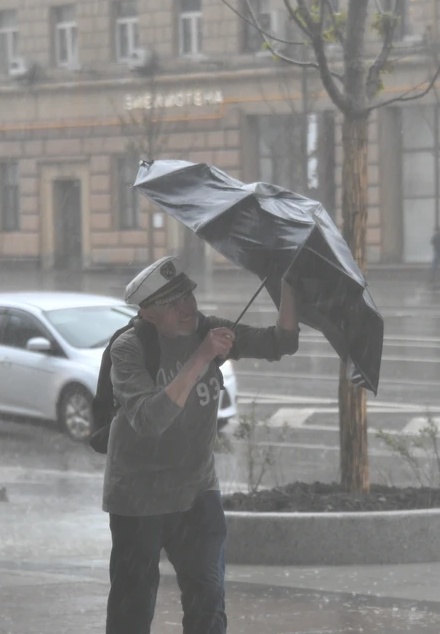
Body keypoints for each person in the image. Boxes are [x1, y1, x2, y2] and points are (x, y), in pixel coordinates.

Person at [104, 256, 300, 634]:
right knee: (133, 607)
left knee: (208, 601)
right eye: (173, 304)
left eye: (188, 296)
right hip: (138, 496)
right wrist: (202, 357)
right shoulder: (128, 349)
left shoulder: (208, 330)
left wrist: (287, 282)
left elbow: (282, 342)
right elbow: (149, 420)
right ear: (147, 314)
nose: (188, 307)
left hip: (196, 491)